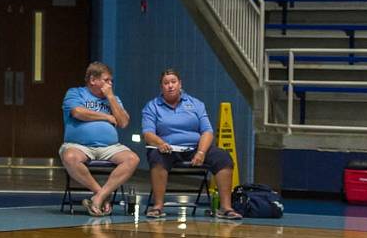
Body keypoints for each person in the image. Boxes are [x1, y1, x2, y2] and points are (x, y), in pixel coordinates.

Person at [141, 68, 242, 220]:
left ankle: (226, 208)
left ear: (180, 84)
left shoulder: (196, 104)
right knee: (156, 158)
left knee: (223, 158)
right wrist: (160, 143)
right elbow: (148, 134)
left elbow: (207, 131)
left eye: (173, 82)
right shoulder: (152, 106)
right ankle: (158, 207)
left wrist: (201, 152)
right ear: (161, 87)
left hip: (195, 148)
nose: (170, 86)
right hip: (167, 149)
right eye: (166, 83)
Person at [59, 62, 139, 216]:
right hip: (79, 146)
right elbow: (77, 112)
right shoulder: (76, 93)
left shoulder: (113, 99)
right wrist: (107, 117)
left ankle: (99, 197)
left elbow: (123, 122)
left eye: (111, 81)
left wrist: (110, 97)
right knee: (69, 157)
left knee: (132, 159)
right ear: (92, 80)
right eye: (106, 80)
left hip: (110, 147)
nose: (110, 84)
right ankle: (102, 194)